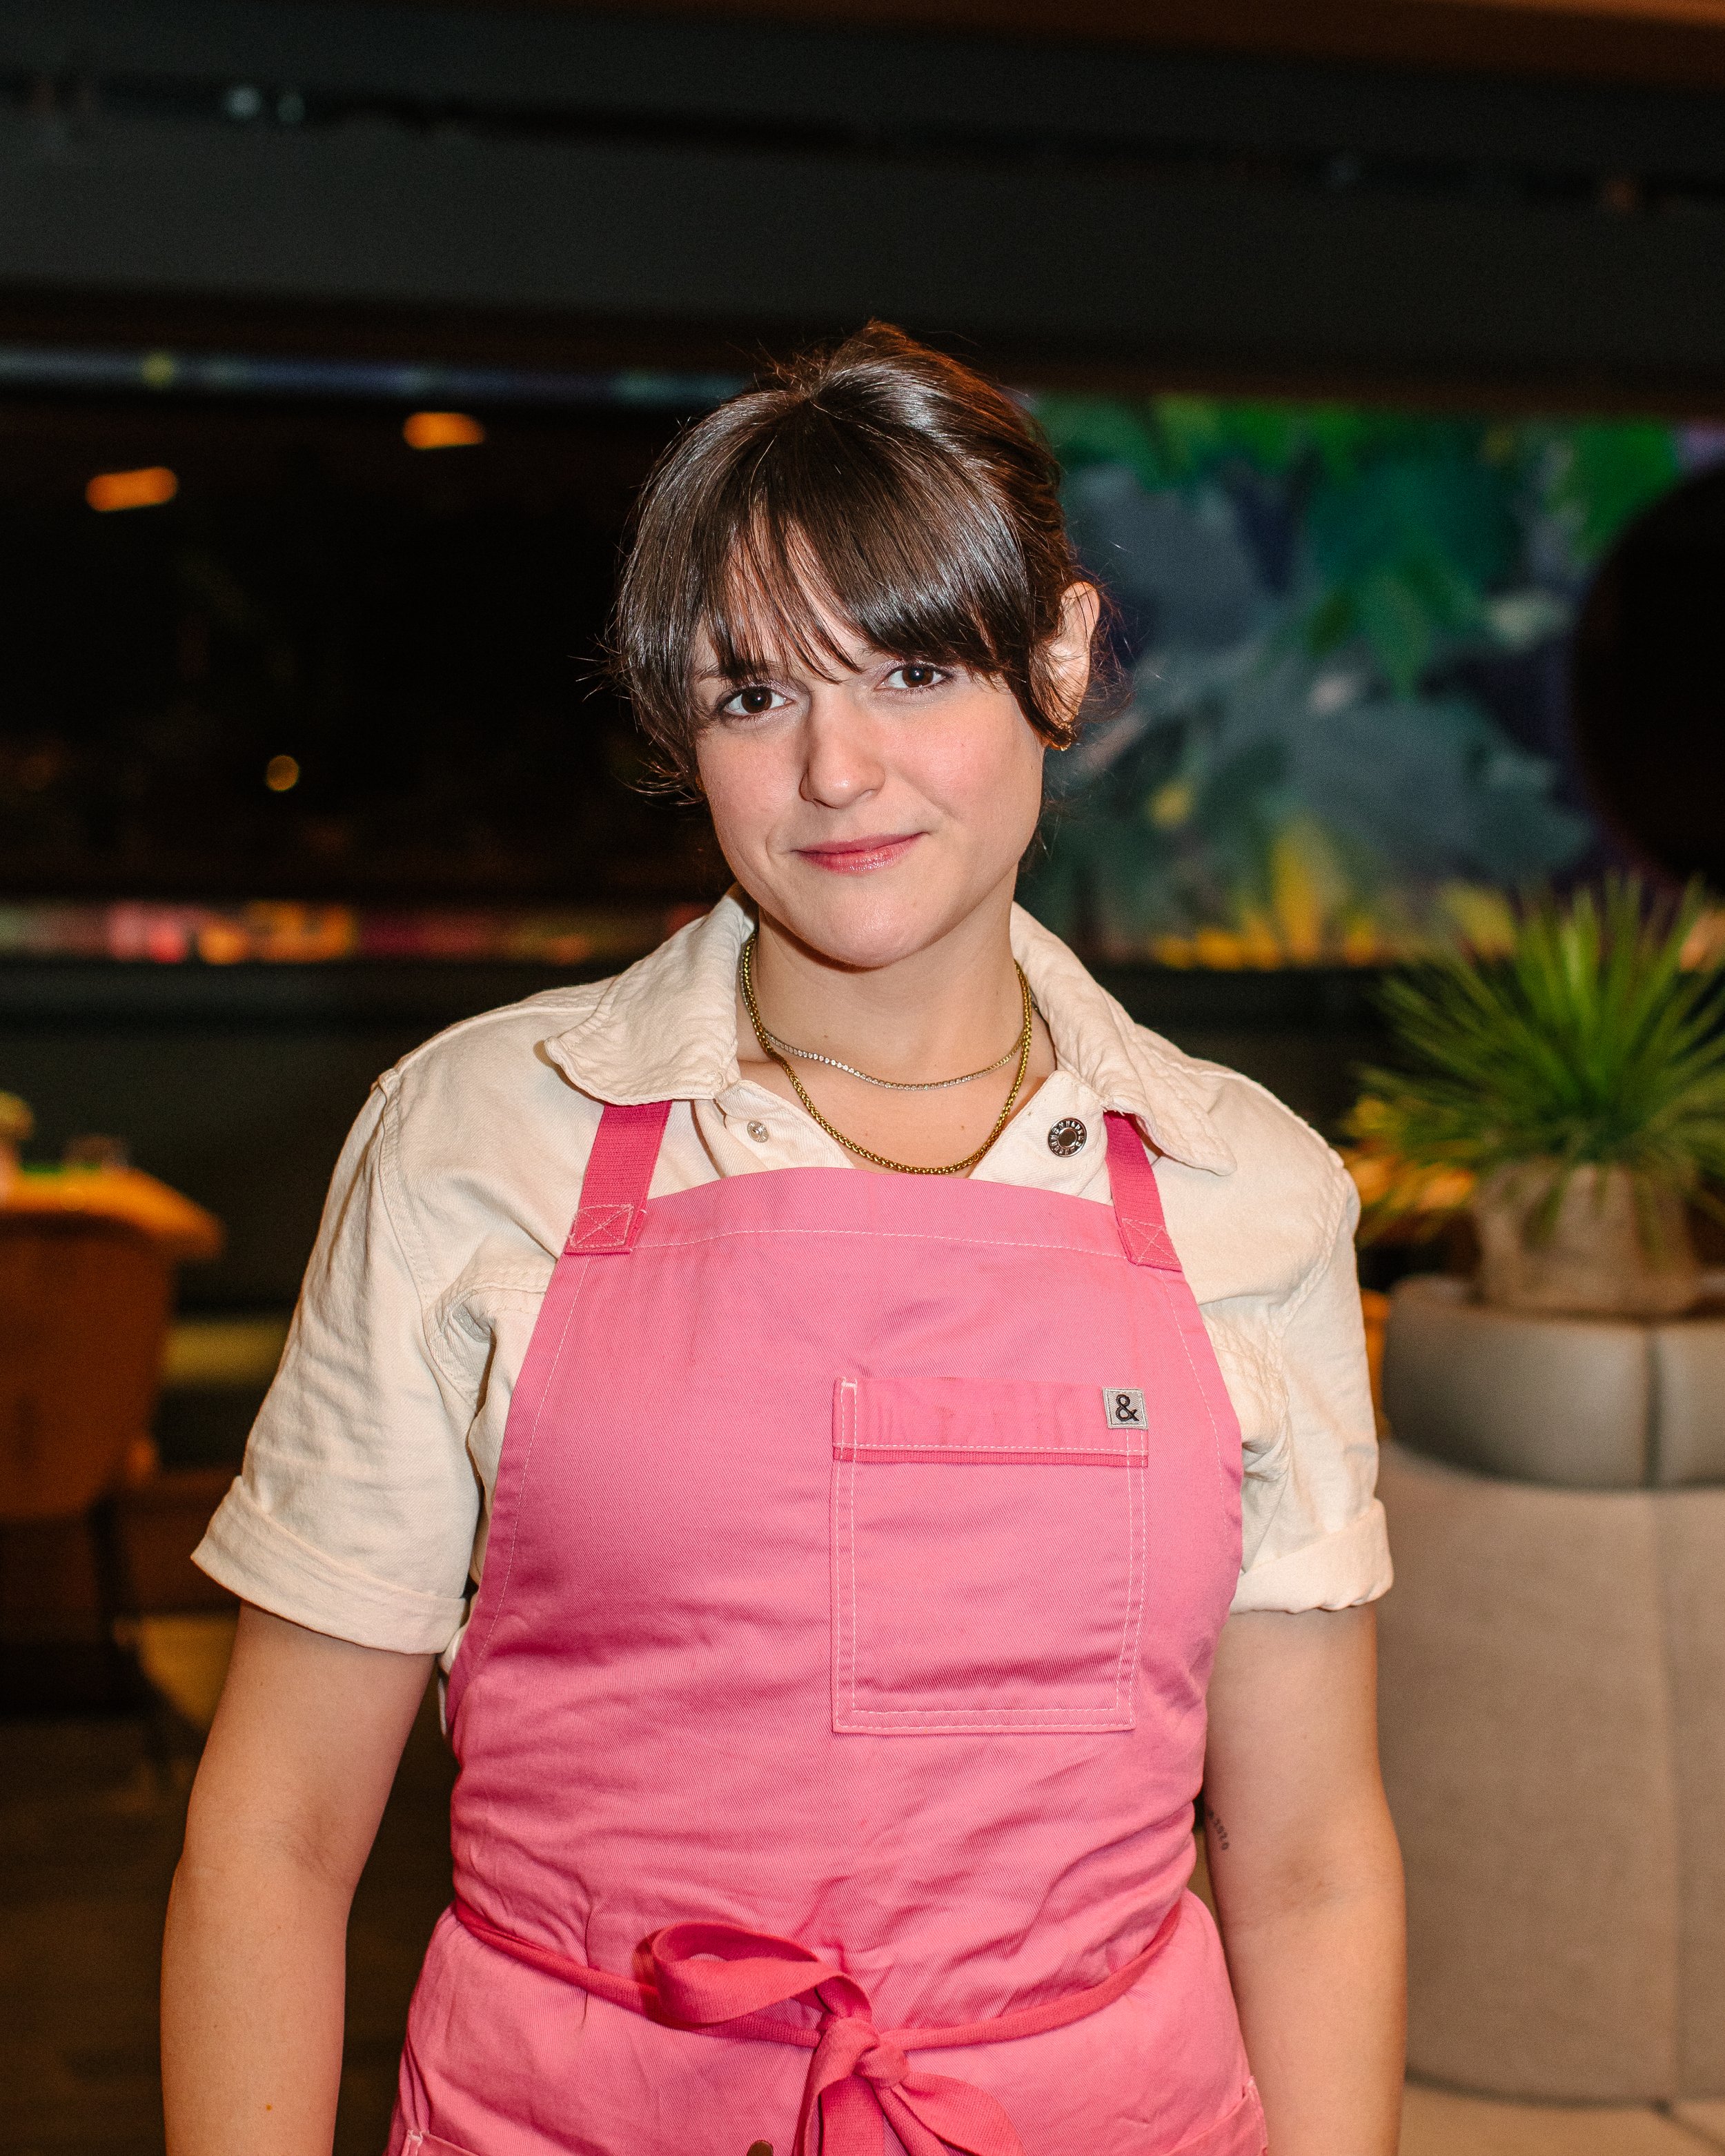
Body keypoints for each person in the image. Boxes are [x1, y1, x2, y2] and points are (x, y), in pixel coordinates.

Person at [162, 324, 1405, 2156]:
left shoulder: (1248, 1187)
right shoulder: (485, 1137)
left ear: (1054, 657)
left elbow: (1304, 1864)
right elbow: (274, 1841)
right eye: (752, 696)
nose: (837, 771)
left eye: (913, 668)